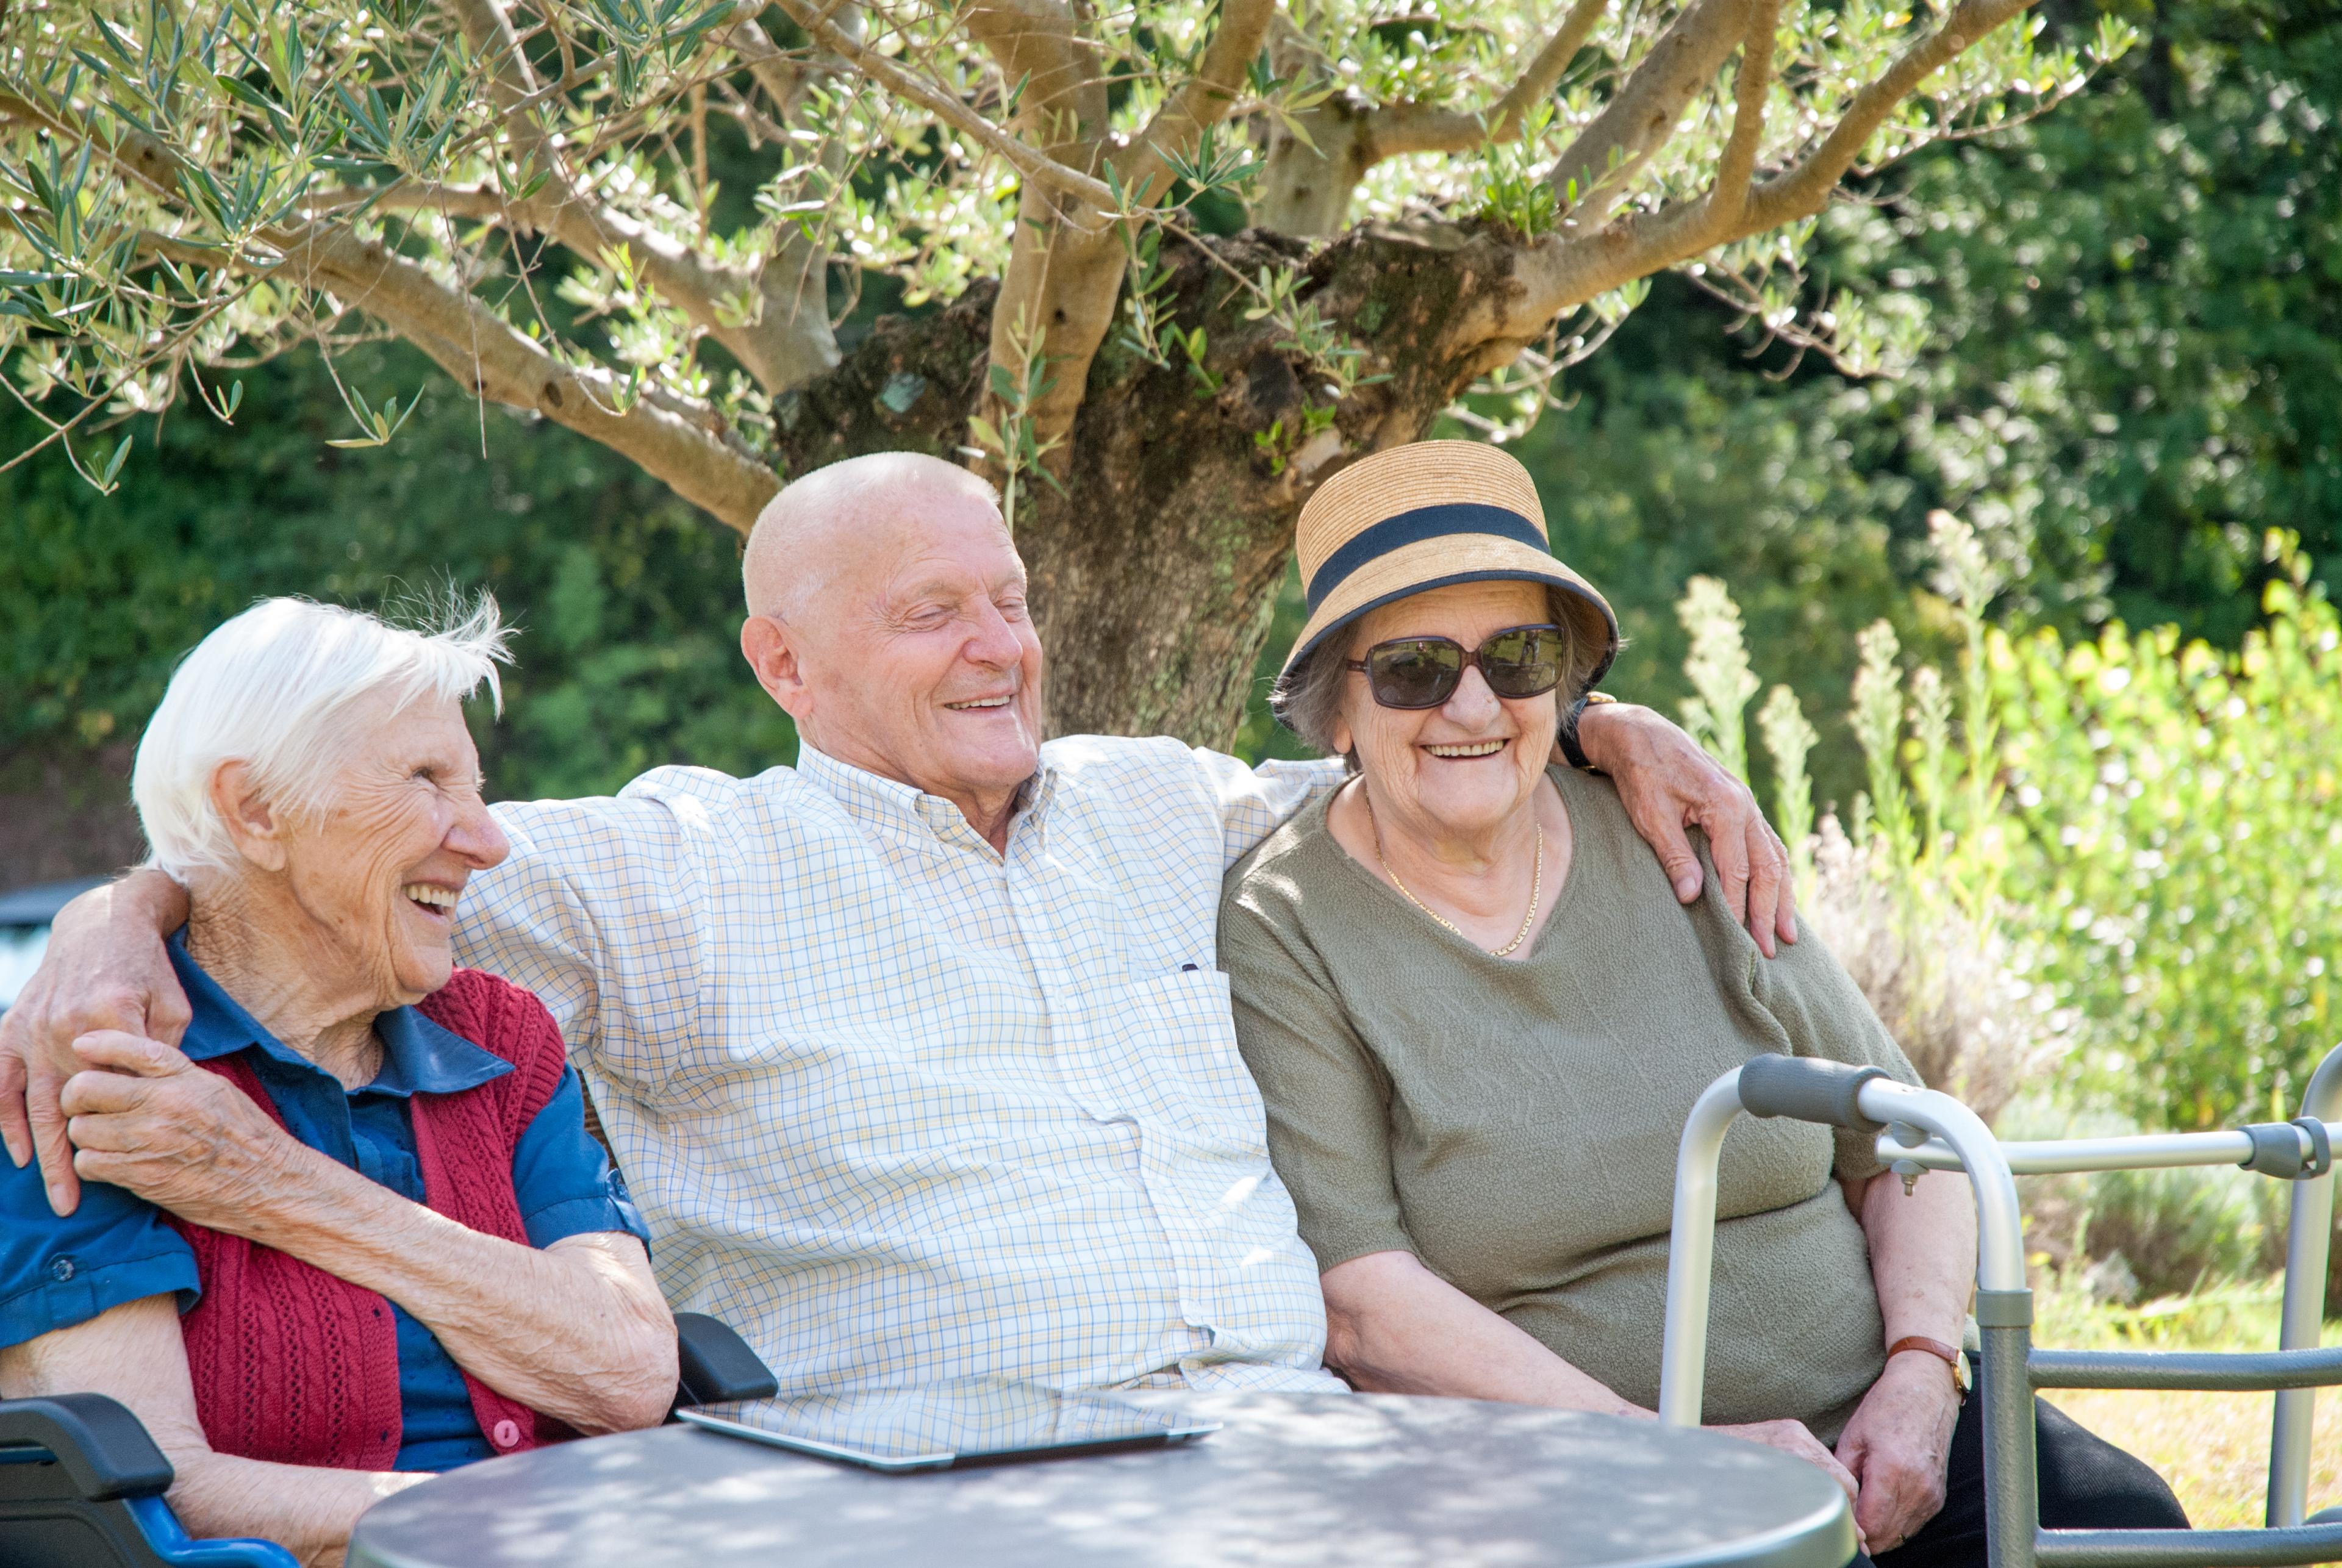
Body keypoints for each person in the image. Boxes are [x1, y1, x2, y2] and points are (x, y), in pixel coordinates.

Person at [3, 452, 1789, 1401]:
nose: (1002, 645)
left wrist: (1611, 720)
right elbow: (326, 847)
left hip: (1306, 1451)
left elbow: (1435, 749)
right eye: (932, 611)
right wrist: (118, 909)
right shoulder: (677, 866)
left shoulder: (1174, 803)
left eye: (1008, 597)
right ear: (784, 662)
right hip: (935, 1508)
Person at [1218, 441, 2188, 1568]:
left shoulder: (1673, 828)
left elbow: (1905, 1139)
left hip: (1881, 1427)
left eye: (1521, 657)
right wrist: (1672, 1451)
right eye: (1414, 669)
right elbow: (1364, 1306)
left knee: (2132, 1527)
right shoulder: (1287, 922)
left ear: (1567, 684)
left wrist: (1926, 1373)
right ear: (1336, 708)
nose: (1473, 702)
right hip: (1593, 1476)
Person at [0, 597, 675, 1565]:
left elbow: (628, 1373)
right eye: (427, 780)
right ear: (257, 809)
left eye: (476, 786)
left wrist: (271, 1183)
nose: (488, 839)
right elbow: (157, 1496)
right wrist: (502, 1528)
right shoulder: (95, 1069)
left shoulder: (497, 1037)